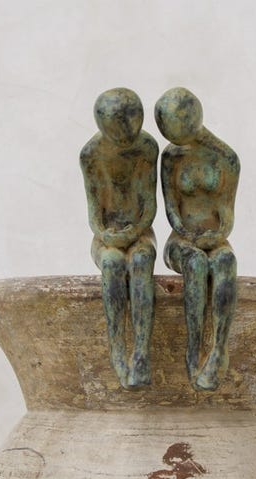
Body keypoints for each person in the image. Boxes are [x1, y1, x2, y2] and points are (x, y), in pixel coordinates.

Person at [155, 87, 240, 391]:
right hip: (182, 239)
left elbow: (226, 213)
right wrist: (189, 234)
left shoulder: (226, 157)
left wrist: (216, 235)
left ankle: (218, 349)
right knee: (196, 263)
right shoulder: (170, 157)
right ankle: (193, 350)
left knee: (226, 262)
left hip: (215, 237)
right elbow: (172, 210)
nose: (173, 140)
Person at [80, 88, 158, 388]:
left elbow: (149, 204)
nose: (126, 135)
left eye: (132, 126)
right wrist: (106, 234)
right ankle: (117, 350)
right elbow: (94, 211)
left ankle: (141, 353)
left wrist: (134, 231)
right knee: (112, 263)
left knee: (142, 259)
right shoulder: (91, 154)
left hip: (140, 231)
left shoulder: (147, 148)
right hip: (107, 235)